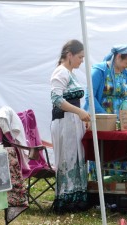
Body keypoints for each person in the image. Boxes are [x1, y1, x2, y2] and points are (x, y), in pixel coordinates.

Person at [83, 44, 127, 180]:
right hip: (101, 121)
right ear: (118, 57)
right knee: (103, 152)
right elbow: (90, 96)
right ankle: (101, 186)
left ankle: (122, 184)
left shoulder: (126, 74)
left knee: (120, 151)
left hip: (119, 122)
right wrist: (105, 116)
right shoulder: (99, 71)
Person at [50, 39, 91, 214]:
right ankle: (66, 200)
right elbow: (57, 100)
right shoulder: (60, 73)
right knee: (67, 159)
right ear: (70, 55)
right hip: (64, 123)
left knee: (77, 158)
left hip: (74, 122)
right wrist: (78, 112)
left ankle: (77, 199)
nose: (82, 60)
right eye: (80, 57)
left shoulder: (70, 73)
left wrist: (81, 116)